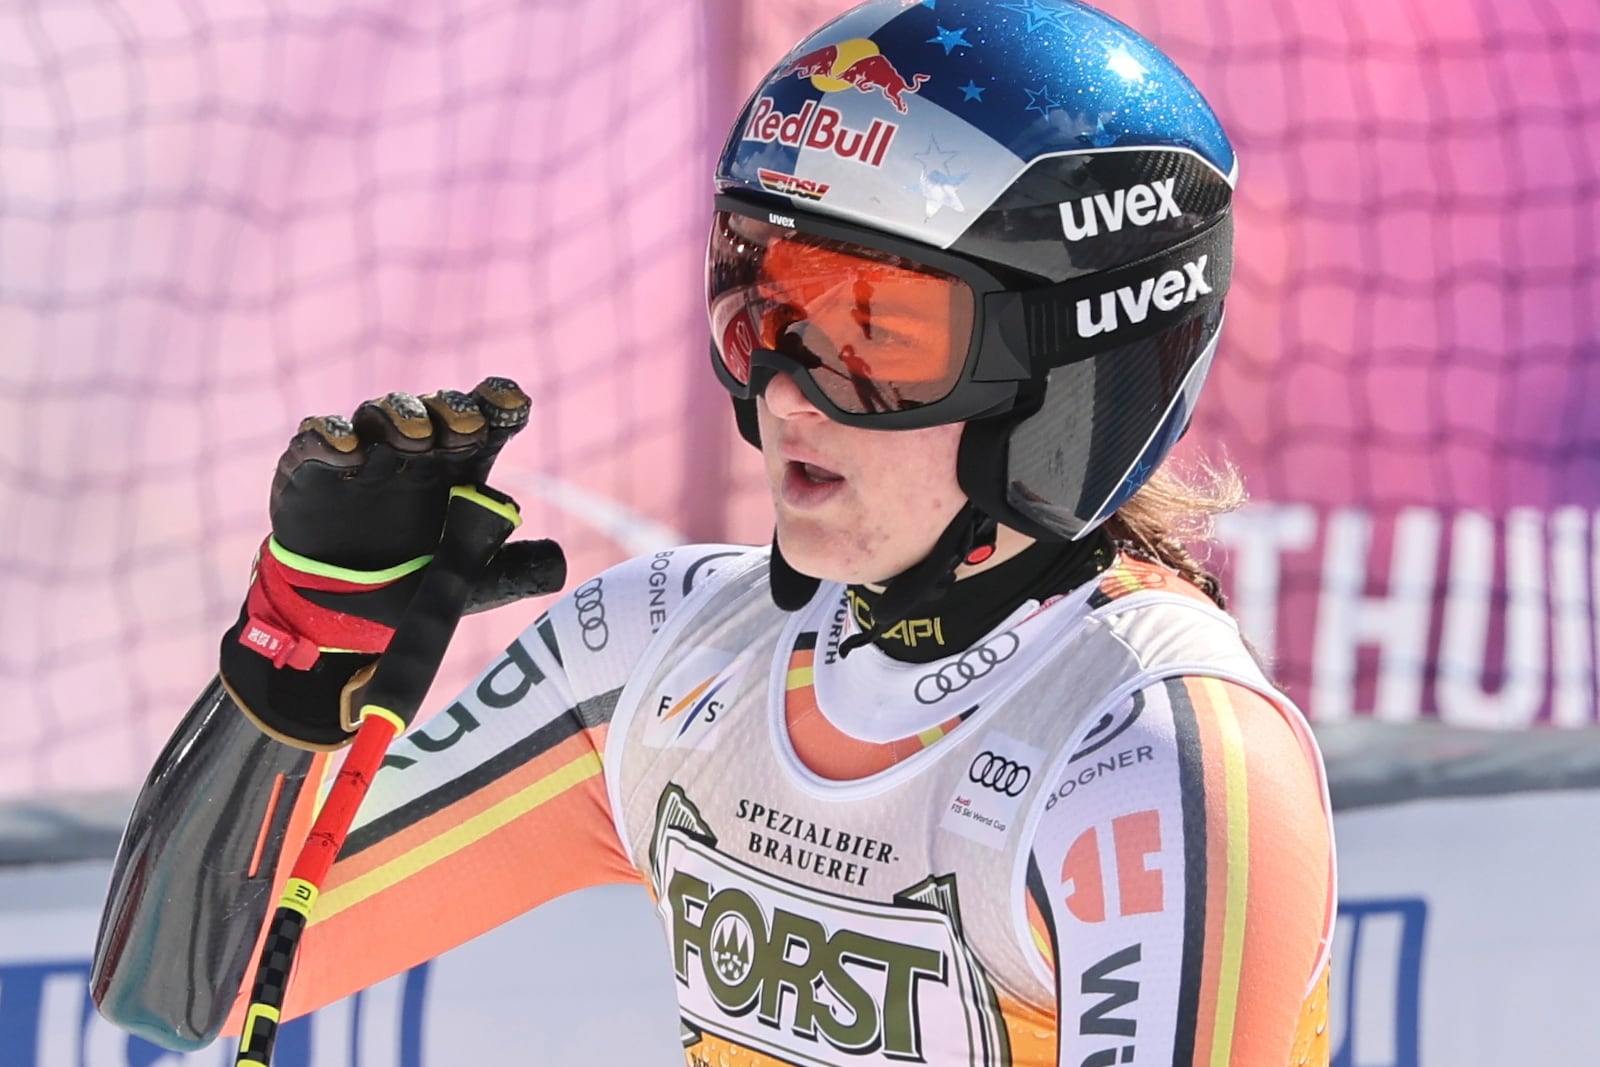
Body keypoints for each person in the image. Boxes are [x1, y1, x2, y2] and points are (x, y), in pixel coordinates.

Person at [93, 1, 1335, 1064]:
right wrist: (304, 641)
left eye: (874, 335)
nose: (787, 387)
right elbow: (188, 978)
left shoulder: (1150, 748)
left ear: (1067, 378)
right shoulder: (666, 646)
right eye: (760, 301)